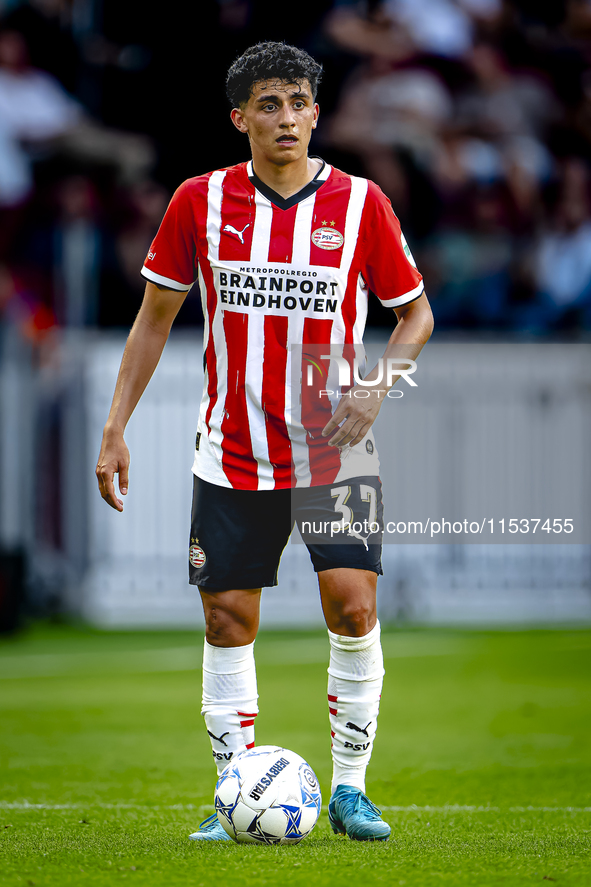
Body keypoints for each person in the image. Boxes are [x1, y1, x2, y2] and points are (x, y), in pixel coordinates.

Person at [96, 41, 433, 843]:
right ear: (239, 117)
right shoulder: (197, 201)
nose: (286, 118)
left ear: (317, 113)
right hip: (231, 449)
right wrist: (115, 428)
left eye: (298, 103)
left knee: (353, 607)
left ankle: (350, 788)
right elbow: (154, 319)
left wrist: (378, 385)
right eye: (269, 103)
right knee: (226, 622)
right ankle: (233, 789)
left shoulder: (360, 205)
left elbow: (413, 313)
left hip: (334, 447)